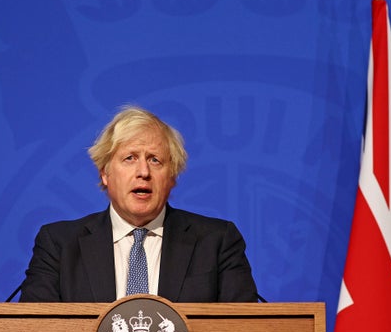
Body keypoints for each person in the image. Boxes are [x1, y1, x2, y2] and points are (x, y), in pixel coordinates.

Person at [17, 105, 259, 303]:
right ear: (105, 173)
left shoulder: (217, 242)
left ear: (172, 176)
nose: (143, 172)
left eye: (155, 160)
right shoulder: (60, 245)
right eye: (130, 158)